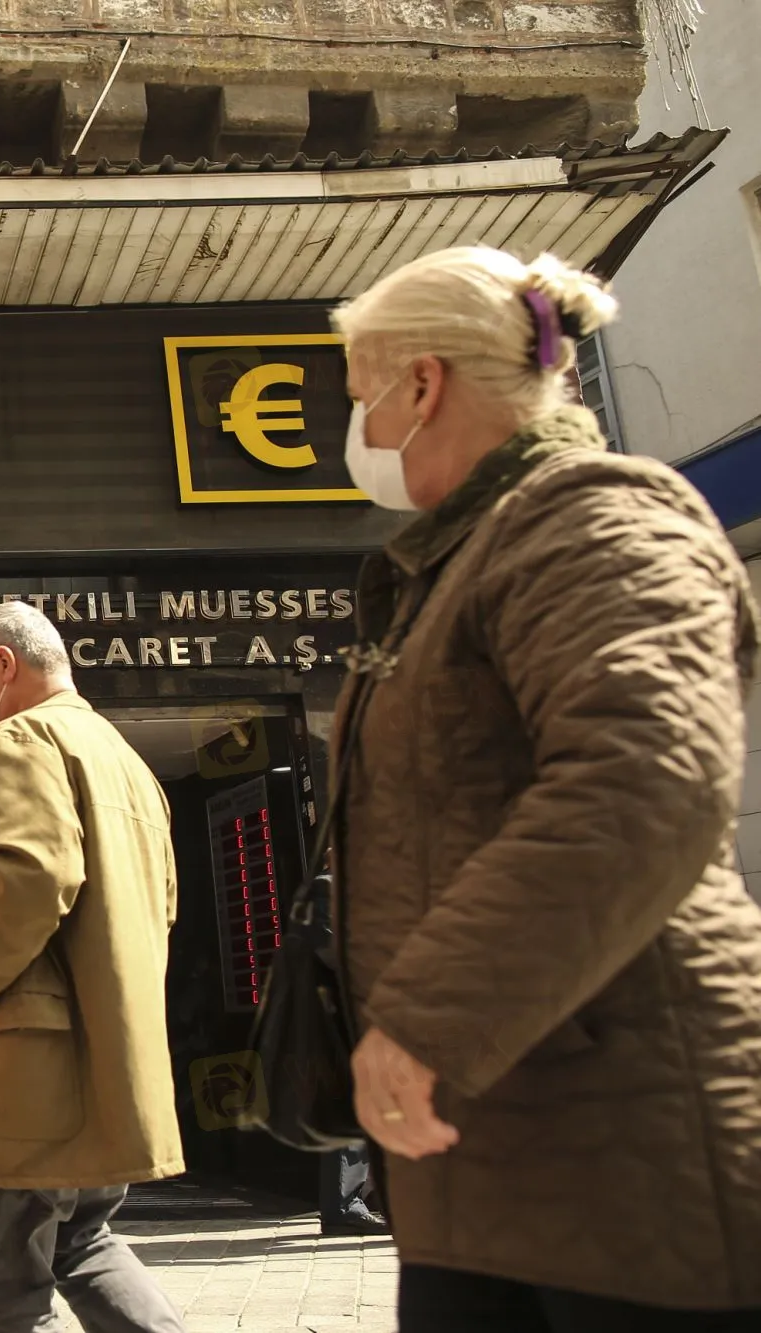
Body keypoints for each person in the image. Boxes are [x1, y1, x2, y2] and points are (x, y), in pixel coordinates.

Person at [327, 246, 761, 1329]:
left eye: (359, 396)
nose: (355, 430)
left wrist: (426, 1019)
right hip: (491, 1143)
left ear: (421, 384)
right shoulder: (462, 560)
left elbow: (644, 781)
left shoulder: (596, 520)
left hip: (626, 1149)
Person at [0, 601, 186, 1333]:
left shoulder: (22, 741)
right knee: (84, 1238)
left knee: (7, 1280)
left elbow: (29, 879)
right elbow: (163, 906)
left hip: (29, 1059)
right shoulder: (125, 761)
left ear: (3, 664)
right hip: (107, 1054)